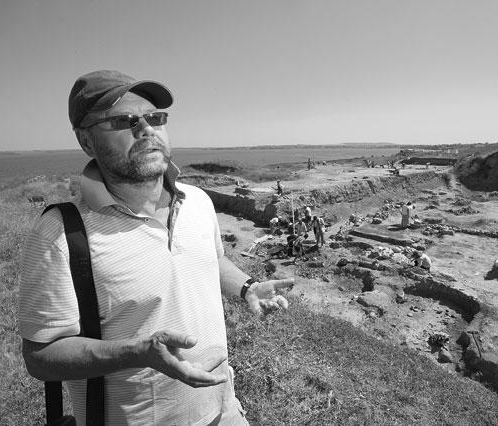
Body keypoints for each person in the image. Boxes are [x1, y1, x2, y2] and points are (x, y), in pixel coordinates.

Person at [18, 70, 294, 425]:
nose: (146, 129)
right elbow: (40, 357)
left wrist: (247, 287)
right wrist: (136, 352)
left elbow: (210, 260)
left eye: (155, 117)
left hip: (224, 410)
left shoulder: (197, 201)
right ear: (86, 141)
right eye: (123, 121)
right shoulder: (60, 233)